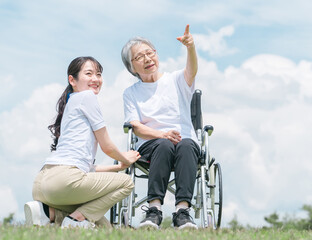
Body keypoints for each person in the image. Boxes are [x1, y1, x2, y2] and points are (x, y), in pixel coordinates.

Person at [24, 56, 140, 228]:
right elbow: (107, 147)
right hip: (63, 181)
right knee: (126, 183)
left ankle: (47, 212)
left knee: (104, 228)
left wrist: (117, 167)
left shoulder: (72, 103)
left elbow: (83, 167)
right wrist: (125, 158)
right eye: (89, 73)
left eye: (99, 74)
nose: (96, 79)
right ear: (72, 80)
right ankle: (75, 219)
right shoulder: (87, 97)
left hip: (42, 183)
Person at [121, 24, 200, 229]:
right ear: (131, 67)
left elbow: (192, 70)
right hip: (151, 143)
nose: (147, 59)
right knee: (163, 145)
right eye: (139, 57)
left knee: (185, 145)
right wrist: (161, 135)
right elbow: (136, 127)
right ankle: (154, 209)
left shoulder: (176, 80)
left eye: (150, 53)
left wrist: (190, 48)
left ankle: (182, 211)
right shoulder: (131, 93)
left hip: (184, 141)